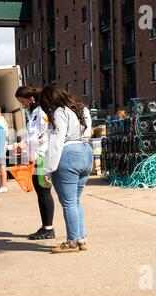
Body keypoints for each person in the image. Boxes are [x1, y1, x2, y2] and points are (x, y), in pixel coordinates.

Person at [40, 85, 93, 254]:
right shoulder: (82, 109)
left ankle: (72, 241)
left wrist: (48, 168)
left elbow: (57, 141)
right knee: (75, 201)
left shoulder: (59, 112)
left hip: (68, 155)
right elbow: (89, 132)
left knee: (68, 203)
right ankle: (81, 237)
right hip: (86, 152)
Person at [15, 86, 55, 240]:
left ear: (31, 98)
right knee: (40, 193)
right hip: (34, 157)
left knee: (44, 192)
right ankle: (45, 226)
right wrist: (24, 143)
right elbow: (30, 134)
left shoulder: (42, 111)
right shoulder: (30, 113)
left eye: (23, 101)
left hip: (42, 156)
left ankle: (49, 228)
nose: (22, 104)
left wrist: (26, 143)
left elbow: (44, 134)